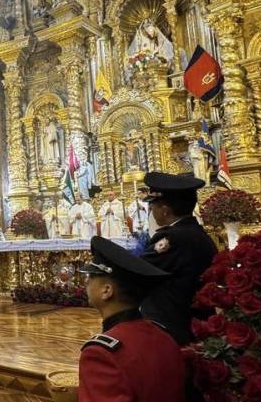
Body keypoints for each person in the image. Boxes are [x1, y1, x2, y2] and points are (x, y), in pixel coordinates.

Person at [78, 236, 185, 402]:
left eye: (91, 277)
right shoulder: (163, 335)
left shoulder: (101, 354)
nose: (86, 282)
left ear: (107, 291)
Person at [140, 171, 217, 345]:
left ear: (165, 210)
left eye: (153, 206)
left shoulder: (173, 239)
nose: (151, 210)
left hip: (173, 327)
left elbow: (140, 270)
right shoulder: (196, 233)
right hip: (193, 322)